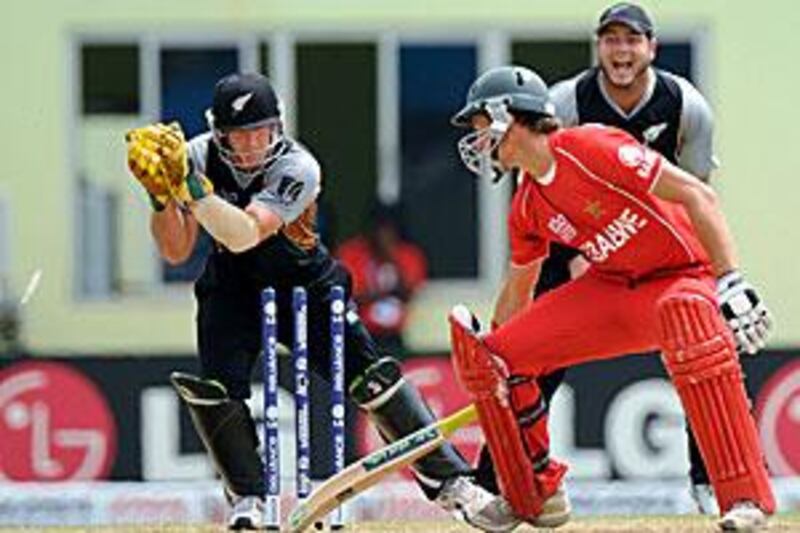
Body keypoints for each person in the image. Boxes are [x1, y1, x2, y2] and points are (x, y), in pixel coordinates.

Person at [125, 72, 511, 531]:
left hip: (306, 284)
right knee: (217, 391)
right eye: (237, 135)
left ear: (278, 127)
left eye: (260, 132)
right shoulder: (196, 156)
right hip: (231, 287)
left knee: (373, 381)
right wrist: (160, 198)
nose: (249, 147)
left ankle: (454, 486)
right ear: (218, 131)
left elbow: (247, 232)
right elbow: (175, 250)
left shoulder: (298, 167)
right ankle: (246, 499)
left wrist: (191, 189)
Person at [448, 64, 774, 532]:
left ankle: (746, 501)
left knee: (686, 316)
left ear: (509, 117)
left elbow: (697, 195)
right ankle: (535, 495)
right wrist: (495, 367)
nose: (479, 142)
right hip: (617, 286)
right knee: (502, 353)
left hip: (684, 276)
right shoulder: (526, 205)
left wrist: (730, 281)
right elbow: (519, 289)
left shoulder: (590, 147)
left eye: (482, 128)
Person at [473, 1, 725, 515]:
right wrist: (579, 261)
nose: (621, 50)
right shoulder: (567, 102)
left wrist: (725, 278)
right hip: (574, 243)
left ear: (651, 48)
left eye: (632, 40)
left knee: (701, 350)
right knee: (531, 350)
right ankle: (497, 480)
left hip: (658, 246)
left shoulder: (686, 106)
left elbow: (693, 197)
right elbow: (539, 184)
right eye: (611, 40)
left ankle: (713, 480)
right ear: (598, 47)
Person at [336, 202, 428, 357]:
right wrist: (387, 292)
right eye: (378, 228)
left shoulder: (409, 254)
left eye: (388, 228)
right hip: (360, 334)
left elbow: (408, 293)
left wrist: (390, 257)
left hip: (394, 337)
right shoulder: (352, 252)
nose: (382, 234)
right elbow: (353, 295)